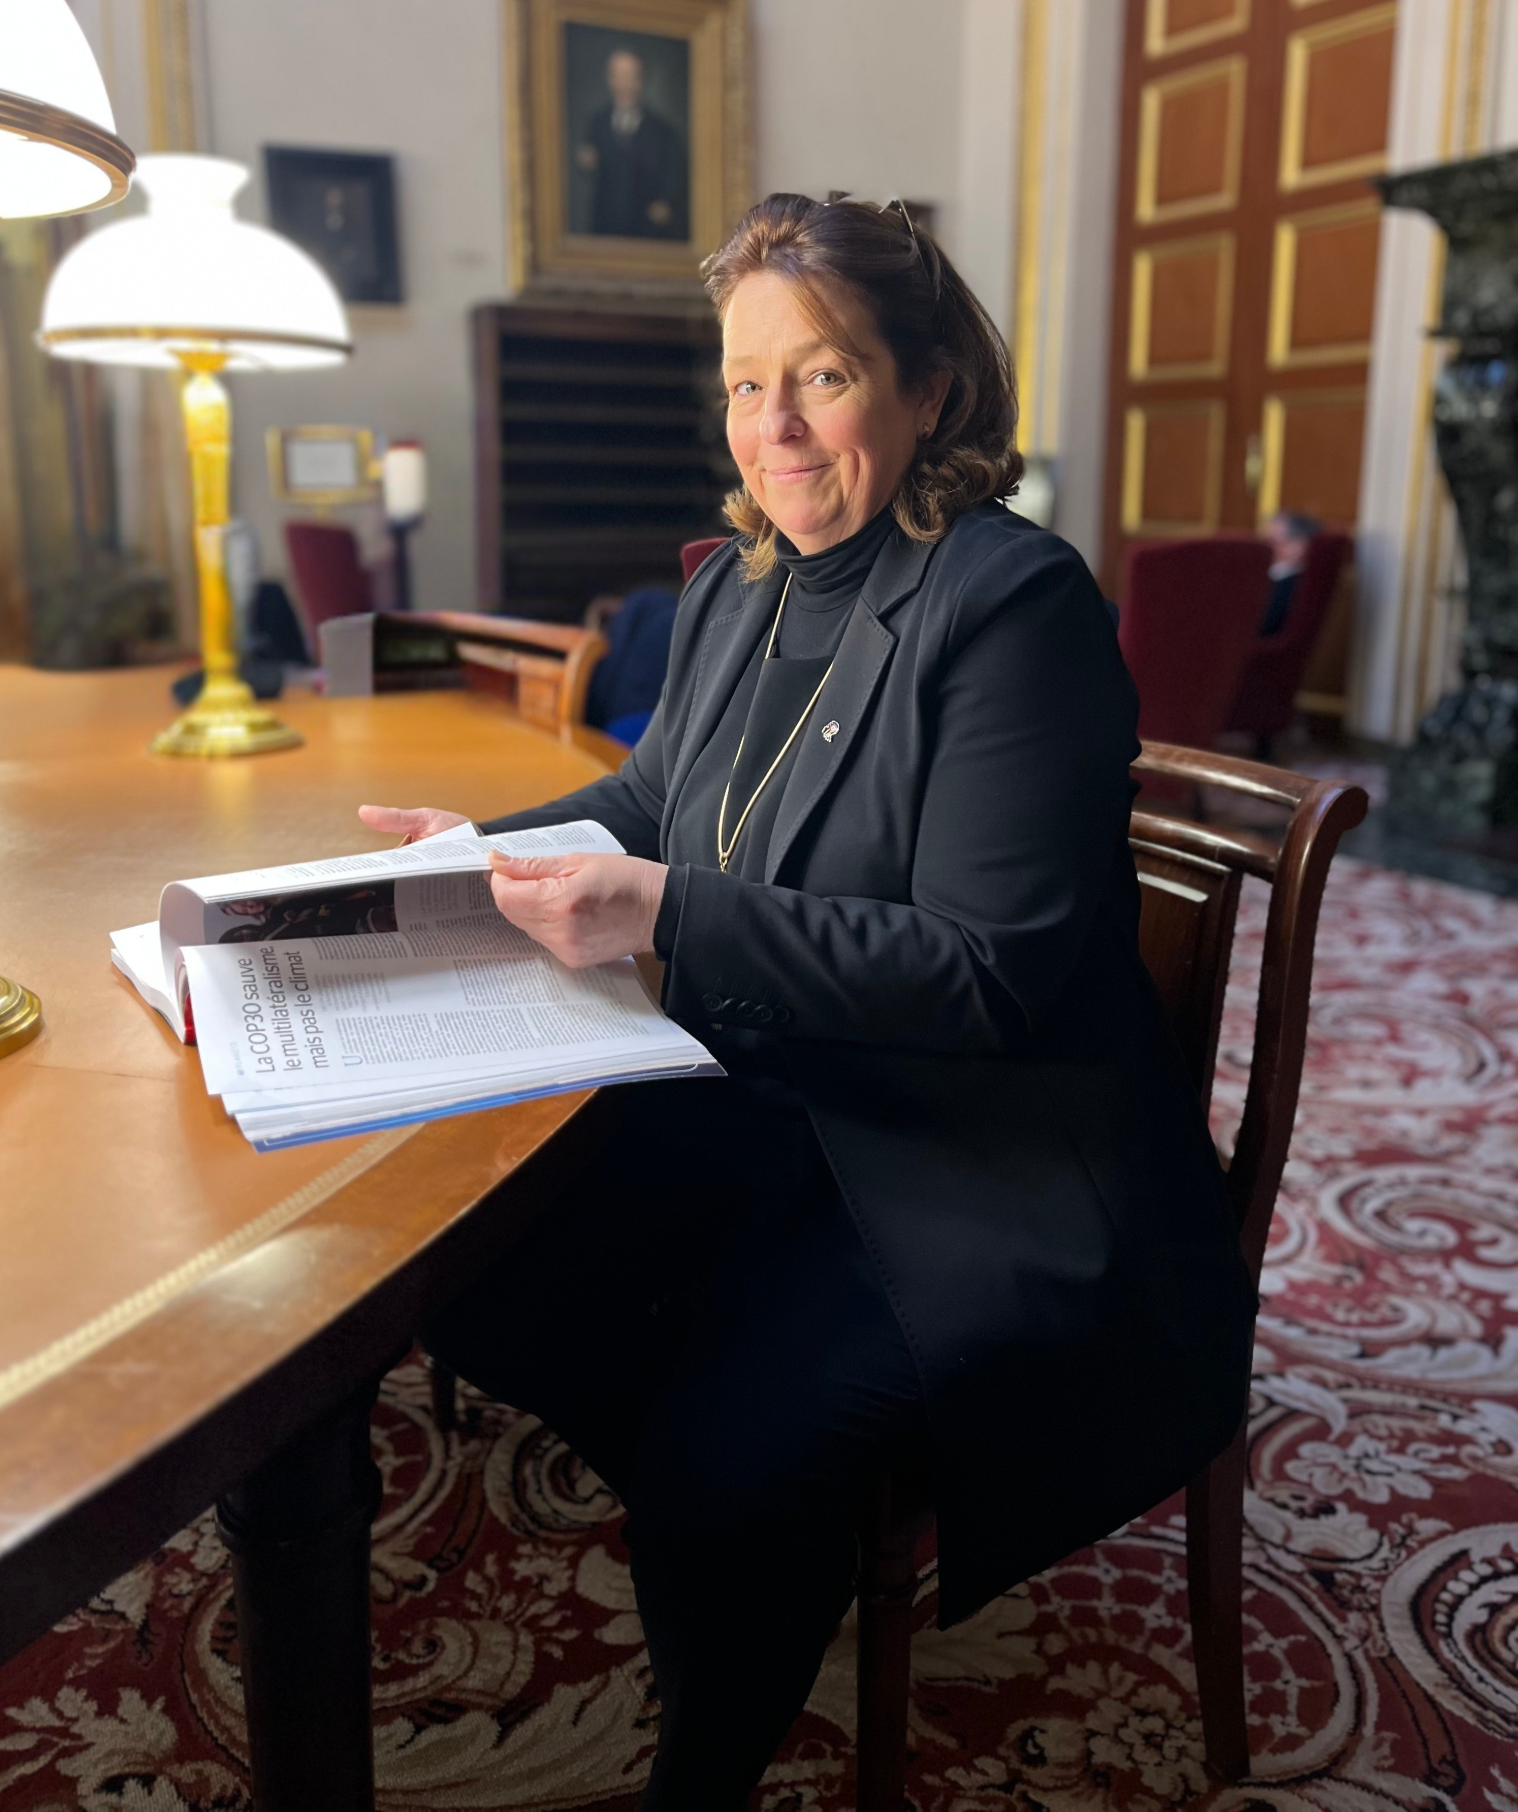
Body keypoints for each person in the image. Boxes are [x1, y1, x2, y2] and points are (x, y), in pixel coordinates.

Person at [358, 194, 1255, 1810]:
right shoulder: (732, 587)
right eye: (742, 381)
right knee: (460, 1253)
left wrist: (668, 915)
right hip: (783, 1093)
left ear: (927, 388)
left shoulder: (1013, 605)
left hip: (984, 1172)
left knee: (728, 1448)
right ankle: (747, 1537)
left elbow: (984, 975)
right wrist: (457, 859)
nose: (773, 426)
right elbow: (641, 800)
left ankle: (709, 1724)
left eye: (822, 376)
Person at [575, 46, 688, 239]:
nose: (625, 84)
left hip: (645, 227)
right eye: (619, 76)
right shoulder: (597, 123)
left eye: (631, 77)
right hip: (605, 224)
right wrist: (585, 162)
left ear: (640, 81)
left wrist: (665, 202)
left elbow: (674, 172)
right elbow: (587, 166)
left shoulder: (662, 130)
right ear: (610, 80)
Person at [1259, 508, 1320, 636]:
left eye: (1273, 542)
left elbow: (1266, 625)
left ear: (1299, 546)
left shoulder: (1292, 584)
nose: (1267, 548)